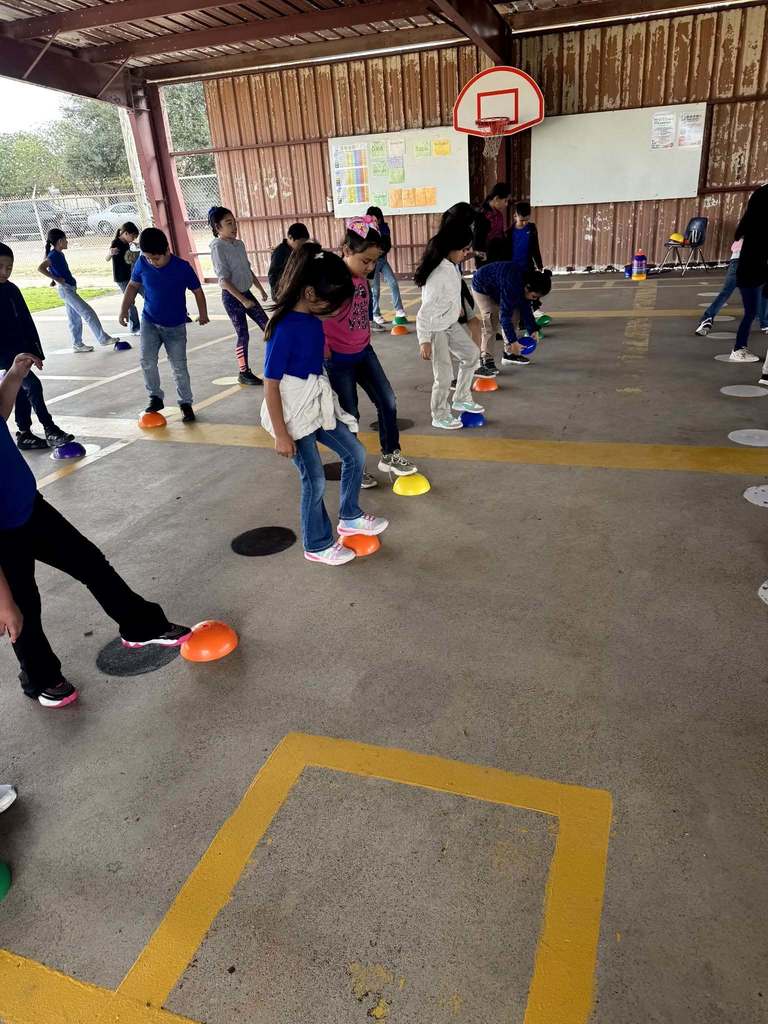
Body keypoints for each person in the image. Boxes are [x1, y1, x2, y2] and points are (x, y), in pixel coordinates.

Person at [0, 353, 192, 708]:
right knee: (23, 608)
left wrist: (13, 376)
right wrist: (3, 601)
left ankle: (141, 625)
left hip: (30, 507)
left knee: (89, 561)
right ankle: (40, 677)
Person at [261, 242, 389, 566]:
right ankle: (317, 544)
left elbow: (314, 359)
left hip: (316, 403)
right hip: (292, 414)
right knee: (314, 478)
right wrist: (280, 433)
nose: (336, 311)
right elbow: (271, 384)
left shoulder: (312, 321)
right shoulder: (284, 328)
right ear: (309, 294)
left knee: (355, 452)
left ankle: (349, 515)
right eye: (332, 304)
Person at [323, 217, 418, 488]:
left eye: (375, 261)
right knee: (350, 413)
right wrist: (324, 350)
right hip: (338, 359)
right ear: (347, 250)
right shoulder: (332, 280)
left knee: (387, 400)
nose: (370, 267)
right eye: (365, 260)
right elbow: (317, 317)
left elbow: (361, 316)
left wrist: (365, 339)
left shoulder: (363, 281)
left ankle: (390, 453)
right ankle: (354, 465)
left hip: (364, 352)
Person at [119, 227, 209, 423]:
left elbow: (197, 291)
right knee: (146, 360)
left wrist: (203, 314)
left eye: (156, 258)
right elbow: (133, 286)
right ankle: (155, 397)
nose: (153, 262)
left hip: (175, 327)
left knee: (179, 366)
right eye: (149, 258)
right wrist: (124, 309)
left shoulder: (182, 267)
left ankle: (185, 403)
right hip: (150, 322)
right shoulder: (142, 263)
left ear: (167, 250)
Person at [0, 242, 74, 451]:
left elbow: (25, 320)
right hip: (6, 356)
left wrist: (34, 351)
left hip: (20, 351)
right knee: (31, 385)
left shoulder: (11, 289)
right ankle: (50, 428)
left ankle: (24, 434)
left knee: (21, 391)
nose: (5, 272)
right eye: (0, 267)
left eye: (9, 268)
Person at [415, 222, 484, 430]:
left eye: (467, 249)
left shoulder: (451, 265)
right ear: (450, 248)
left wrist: (457, 309)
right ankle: (440, 414)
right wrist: (424, 340)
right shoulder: (438, 275)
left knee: (472, 355)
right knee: (444, 376)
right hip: (435, 329)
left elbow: (453, 293)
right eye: (463, 249)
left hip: (450, 324)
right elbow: (424, 312)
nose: (465, 254)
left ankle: (461, 397)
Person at [208, 206, 269, 386]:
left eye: (234, 222)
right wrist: (242, 300)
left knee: (268, 327)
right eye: (228, 223)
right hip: (232, 297)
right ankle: (244, 372)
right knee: (243, 334)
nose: (234, 227)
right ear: (217, 227)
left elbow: (247, 269)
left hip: (246, 293)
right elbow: (223, 281)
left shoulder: (239, 244)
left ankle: (282, 362)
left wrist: (260, 289)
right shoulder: (218, 247)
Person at [37, 229, 119, 354]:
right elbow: (40, 268)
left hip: (69, 288)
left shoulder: (59, 254)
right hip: (66, 290)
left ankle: (77, 344)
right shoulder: (52, 255)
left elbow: (55, 269)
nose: (67, 241)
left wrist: (56, 278)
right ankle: (103, 338)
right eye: (65, 239)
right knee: (88, 312)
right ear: (59, 241)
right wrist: (56, 278)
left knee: (74, 319)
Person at [472, 264, 551, 373]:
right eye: (534, 296)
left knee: (515, 315)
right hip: (483, 286)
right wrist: (514, 341)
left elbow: (526, 309)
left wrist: (533, 329)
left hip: (501, 286)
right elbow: (504, 317)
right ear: (527, 287)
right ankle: (486, 359)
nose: (535, 299)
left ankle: (509, 354)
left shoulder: (527, 283)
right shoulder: (512, 286)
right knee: (491, 319)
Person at [731, 183, 768, 363]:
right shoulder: (760, 230)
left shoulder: (750, 223)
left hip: (749, 275)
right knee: (751, 312)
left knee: (752, 311)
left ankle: (739, 348)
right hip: (751, 275)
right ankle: (738, 349)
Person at [365, 206, 407, 328]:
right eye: (373, 219)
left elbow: (387, 245)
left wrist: (381, 252)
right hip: (373, 262)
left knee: (393, 282)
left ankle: (399, 310)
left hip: (382, 260)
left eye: (377, 218)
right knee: (375, 289)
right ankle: (375, 313)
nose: (376, 221)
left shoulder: (384, 228)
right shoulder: (367, 230)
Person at [108, 221, 141, 337]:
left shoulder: (127, 243)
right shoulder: (116, 242)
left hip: (131, 276)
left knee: (147, 293)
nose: (132, 239)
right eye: (132, 236)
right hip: (121, 278)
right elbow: (107, 257)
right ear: (126, 233)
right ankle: (135, 327)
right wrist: (110, 253)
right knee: (130, 302)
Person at [473, 183, 511, 266]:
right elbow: (477, 242)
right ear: (496, 198)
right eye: (505, 200)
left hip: (499, 258)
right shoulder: (482, 215)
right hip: (486, 260)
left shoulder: (499, 214)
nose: (506, 204)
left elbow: (500, 235)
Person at [268, 223, 310, 297]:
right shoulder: (279, 252)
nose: (302, 246)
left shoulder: (297, 250)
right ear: (290, 237)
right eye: (300, 243)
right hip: (283, 292)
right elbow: (272, 274)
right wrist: (278, 292)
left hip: (294, 288)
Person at [508, 201, 543, 272]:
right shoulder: (508, 232)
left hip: (528, 267)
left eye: (527, 220)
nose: (524, 223)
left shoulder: (532, 228)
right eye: (521, 220)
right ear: (515, 216)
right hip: (512, 268)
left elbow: (535, 248)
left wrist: (539, 265)